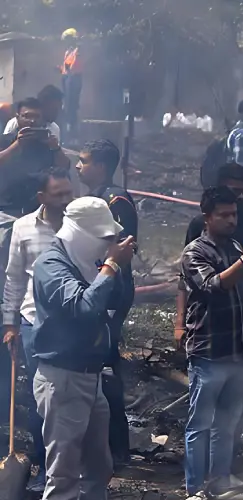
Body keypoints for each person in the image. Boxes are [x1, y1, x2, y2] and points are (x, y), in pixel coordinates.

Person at [31, 197, 134, 500]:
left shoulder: (89, 262)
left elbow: (119, 301)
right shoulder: (51, 265)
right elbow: (84, 308)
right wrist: (110, 265)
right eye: (101, 238)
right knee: (62, 478)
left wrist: (117, 269)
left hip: (91, 377)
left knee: (98, 470)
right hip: (63, 379)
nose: (105, 245)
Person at [178, 186, 243, 500]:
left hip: (236, 351)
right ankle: (194, 490)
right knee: (200, 424)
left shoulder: (237, 245)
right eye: (223, 215)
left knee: (227, 422)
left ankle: (220, 482)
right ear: (207, 217)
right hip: (208, 352)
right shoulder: (195, 252)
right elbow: (215, 286)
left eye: (234, 214)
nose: (230, 220)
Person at [3, 169, 75, 483]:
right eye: (58, 194)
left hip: (75, 325)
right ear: (42, 198)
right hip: (34, 324)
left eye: (68, 193)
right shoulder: (23, 228)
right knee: (40, 398)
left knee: (70, 397)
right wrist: (10, 323)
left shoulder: (80, 227)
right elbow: (15, 277)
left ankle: (69, 467)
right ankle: (46, 468)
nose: (65, 200)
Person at [78, 139, 138, 467]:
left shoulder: (115, 200)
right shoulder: (95, 197)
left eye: (84, 160)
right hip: (97, 289)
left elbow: (122, 248)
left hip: (112, 293)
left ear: (100, 166)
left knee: (108, 366)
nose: (78, 166)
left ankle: (118, 448)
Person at [176, 163, 243, 348]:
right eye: (235, 191)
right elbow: (187, 279)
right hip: (207, 327)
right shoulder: (199, 227)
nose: (241, 197)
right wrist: (179, 323)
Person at [0, 97, 69, 217]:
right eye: (27, 116)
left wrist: (55, 147)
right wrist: (17, 145)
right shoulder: (5, 140)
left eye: (36, 116)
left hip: (38, 209)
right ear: (17, 117)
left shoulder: (46, 144)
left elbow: (65, 166)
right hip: (8, 209)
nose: (32, 121)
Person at [60, 29, 82, 139]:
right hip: (66, 77)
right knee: (66, 103)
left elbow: (74, 65)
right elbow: (65, 66)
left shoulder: (77, 50)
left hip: (74, 78)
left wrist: (68, 70)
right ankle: (68, 129)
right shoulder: (67, 51)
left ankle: (72, 131)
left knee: (71, 104)